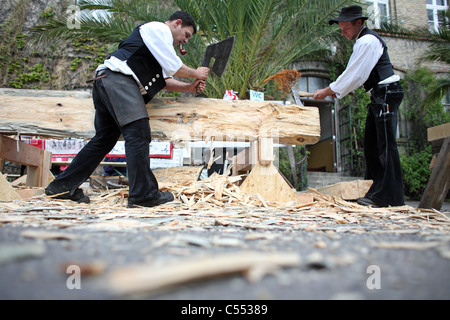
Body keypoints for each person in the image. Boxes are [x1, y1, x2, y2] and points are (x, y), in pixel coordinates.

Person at [45, 11, 209, 208]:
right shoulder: (158, 29)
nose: (185, 42)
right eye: (187, 35)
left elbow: (164, 81)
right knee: (138, 134)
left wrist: (189, 88)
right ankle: (143, 195)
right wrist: (195, 73)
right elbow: (173, 66)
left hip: (107, 83)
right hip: (119, 81)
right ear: (177, 23)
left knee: (103, 140)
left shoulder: (158, 48)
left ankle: (61, 186)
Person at [313, 5, 405, 208]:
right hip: (379, 96)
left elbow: (354, 74)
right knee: (371, 146)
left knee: (386, 146)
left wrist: (328, 90)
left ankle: (389, 196)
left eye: (346, 27)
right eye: (341, 28)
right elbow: (358, 75)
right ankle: (372, 190)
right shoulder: (362, 41)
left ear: (358, 23)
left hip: (386, 94)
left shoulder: (367, 41)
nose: (343, 32)